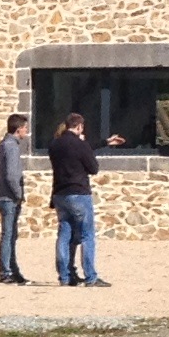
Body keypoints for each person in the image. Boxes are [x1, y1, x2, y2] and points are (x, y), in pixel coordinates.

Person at [48, 110, 101, 287]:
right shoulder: (80, 144)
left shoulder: (55, 144)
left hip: (60, 193)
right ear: (79, 126)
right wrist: (85, 146)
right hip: (79, 192)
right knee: (87, 235)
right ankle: (90, 276)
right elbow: (93, 168)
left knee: (64, 234)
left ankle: (64, 276)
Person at [0, 113, 31, 284]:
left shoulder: (4, 145)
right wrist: (18, 195)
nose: (26, 131)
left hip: (5, 196)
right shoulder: (11, 147)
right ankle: (6, 271)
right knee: (8, 235)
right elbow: (11, 175)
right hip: (8, 198)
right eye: (25, 128)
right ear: (18, 128)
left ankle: (12, 269)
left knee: (11, 235)